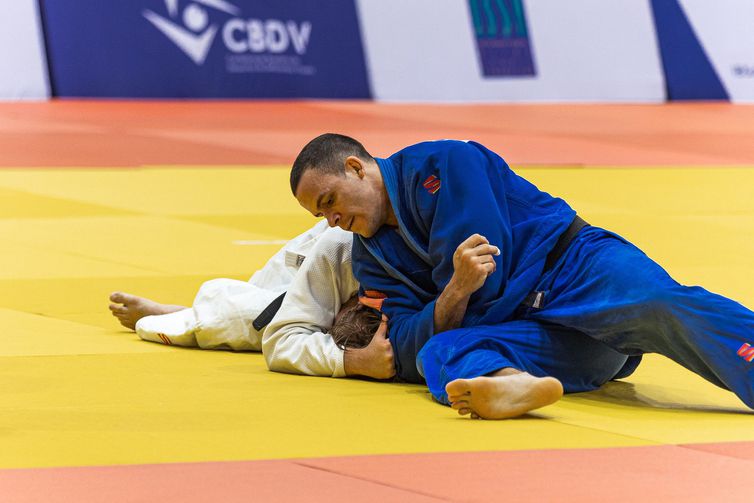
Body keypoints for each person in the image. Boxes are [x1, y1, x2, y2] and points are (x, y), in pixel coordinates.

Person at [291, 133, 754, 419]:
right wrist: (453, 294)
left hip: (574, 267)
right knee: (438, 354)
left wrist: (451, 305)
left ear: (356, 168)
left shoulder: (444, 163)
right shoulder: (369, 258)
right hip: (561, 343)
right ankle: (510, 382)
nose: (332, 221)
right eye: (320, 214)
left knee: (660, 303)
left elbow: (486, 279)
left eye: (330, 201)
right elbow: (404, 349)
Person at [109, 220, 394, 379]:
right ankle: (190, 312)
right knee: (267, 285)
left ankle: (182, 315)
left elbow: (281, 344)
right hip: (345, 249)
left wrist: (350, 360)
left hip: (345, 302)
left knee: (248, 317)